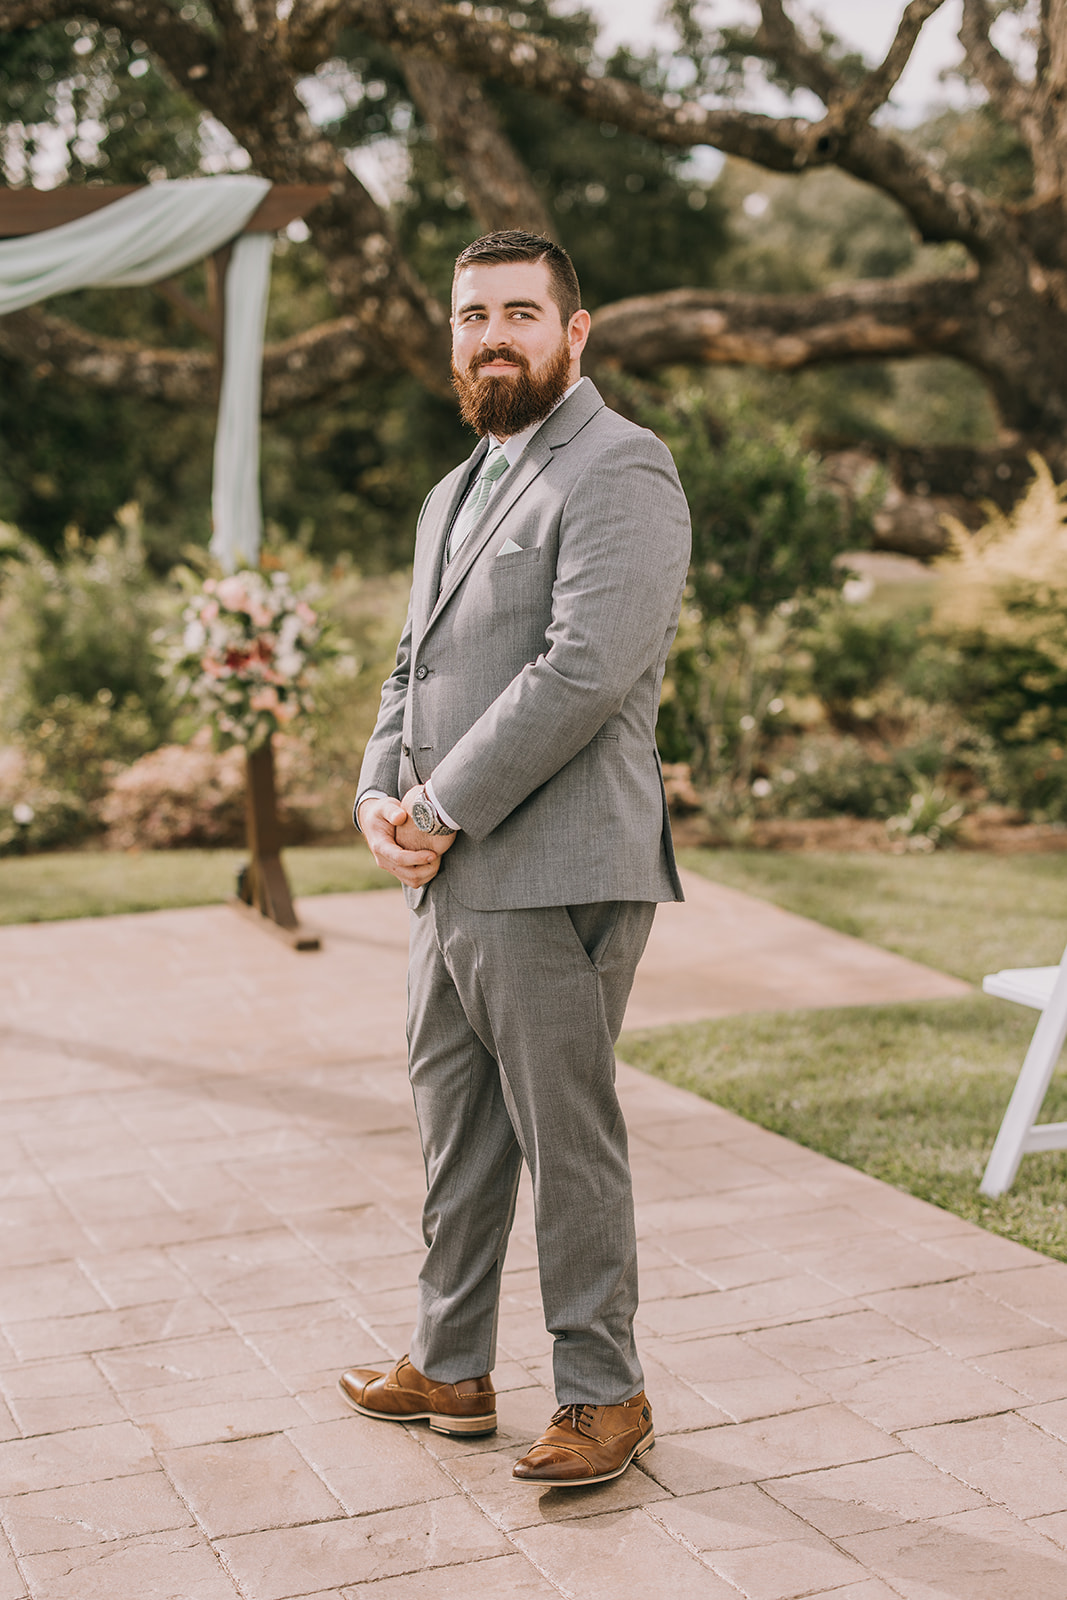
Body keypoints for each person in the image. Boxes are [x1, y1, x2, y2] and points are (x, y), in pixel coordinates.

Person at [339, 230, 691, 1487]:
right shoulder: (455, 489)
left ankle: (606, 1391)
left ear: (573, 331)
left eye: (517, 313)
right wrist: (382, 788)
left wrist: (439, 801)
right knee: (457, 1130)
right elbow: (411, 663)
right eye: (470, 315)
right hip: (448, 870)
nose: (491, 334)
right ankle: (449, 1362)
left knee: (566, 1138)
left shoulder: (619, 468)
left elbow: (584, 671)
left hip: (557, 869)